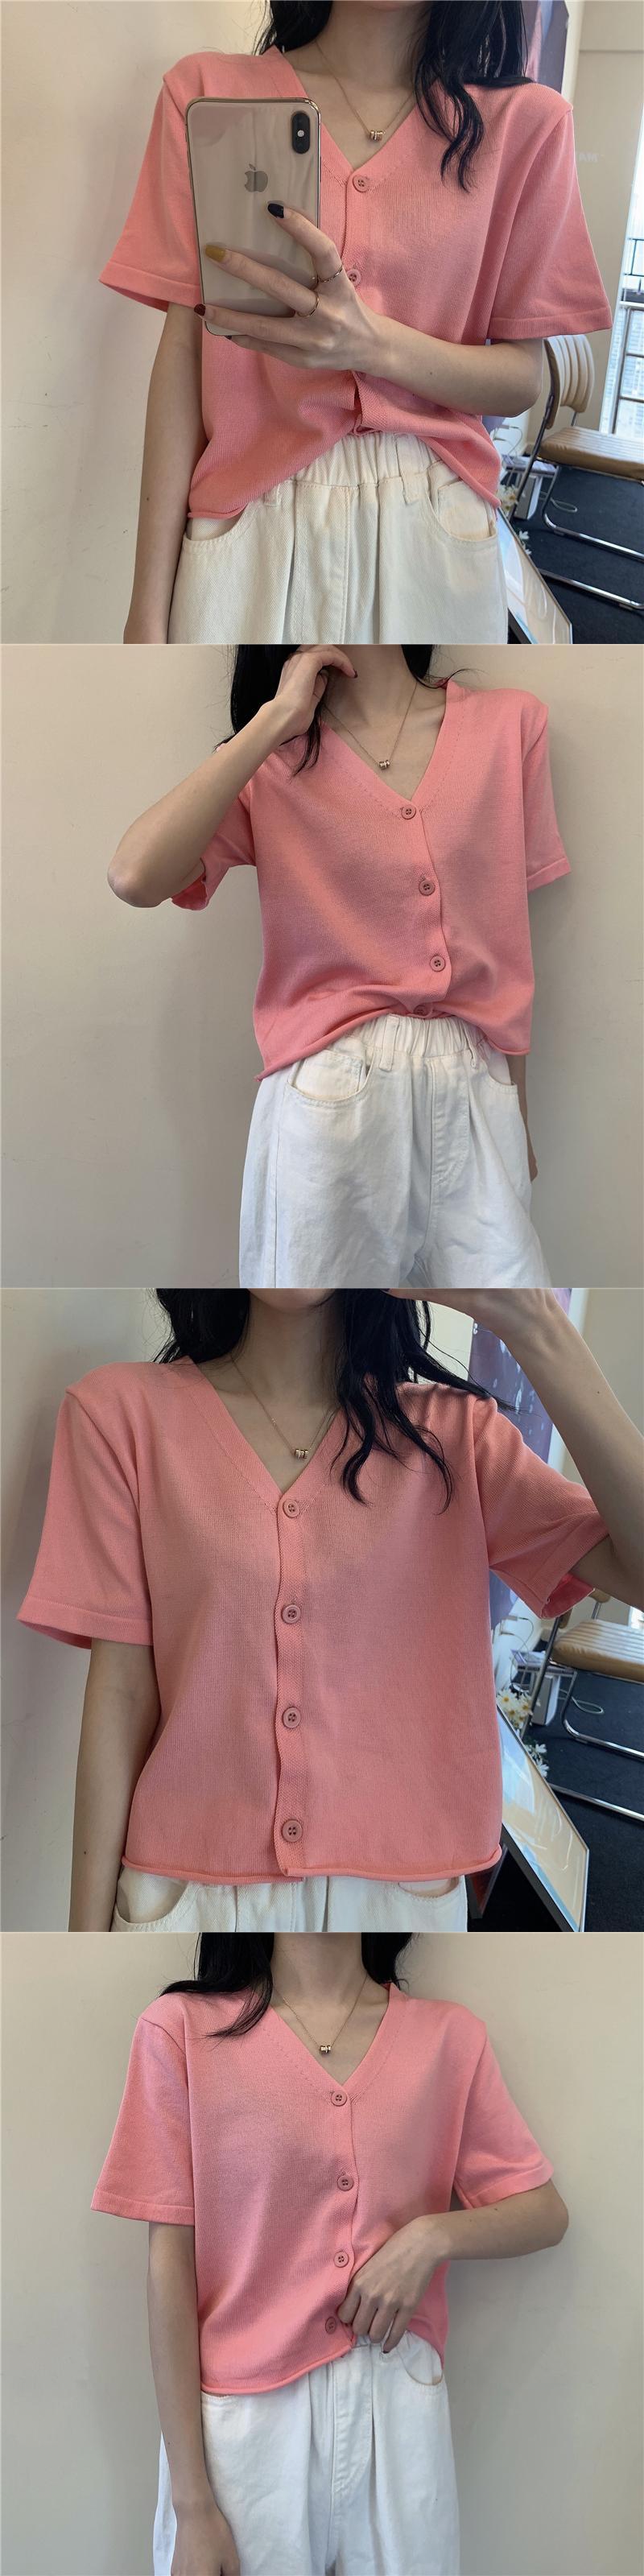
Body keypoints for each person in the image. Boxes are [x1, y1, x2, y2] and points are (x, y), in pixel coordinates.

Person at [19, 1288, 643, 1934]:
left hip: (402, 1897)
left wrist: (534, 1323)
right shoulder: (121, 1415)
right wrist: (84, 1950)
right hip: (181, 1897)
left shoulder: (457, 1437)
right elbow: (122, 1693)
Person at [100, 1, 611, 645]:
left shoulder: (527, 125)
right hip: (243, 531)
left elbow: (520, 381)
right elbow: (184, 351)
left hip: (434, 531)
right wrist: (146, 611)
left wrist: (368, 344)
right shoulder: (207, 94)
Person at [92, 1930, 569, 2576]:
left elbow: (544, 2213)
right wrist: (192, 2503)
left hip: (398, 2405)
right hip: (247, 2427)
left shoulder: (448, 2039)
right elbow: (168, 2268)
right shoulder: (181, 2030)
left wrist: (430, 2238)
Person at [108, 642, 571, 1287]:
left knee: (508, 1305)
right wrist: (272, 721)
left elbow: (509, 937)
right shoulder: (271, 765)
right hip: (330, 1091)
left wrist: (514, 1111)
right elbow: (134, 876)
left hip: (477, 1087)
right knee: (322, 1318)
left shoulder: (511, 725)